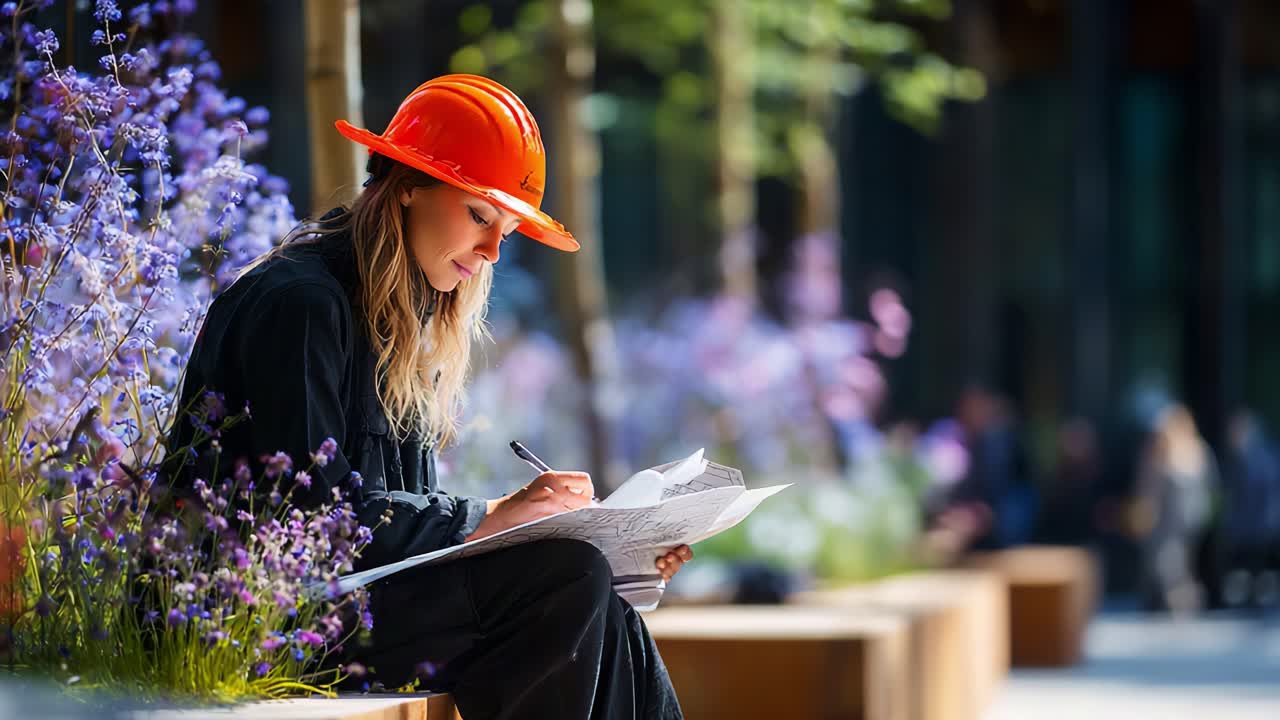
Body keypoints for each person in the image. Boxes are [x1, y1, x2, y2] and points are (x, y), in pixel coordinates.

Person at [166, 75, 687, 719]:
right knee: (569, 581)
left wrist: (622, 555)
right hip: (254, 620)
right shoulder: (300, 305)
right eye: (478, 215)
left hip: (347, 605)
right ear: (409, 185)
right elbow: (307, 518)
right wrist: (486, 515)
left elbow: (404, 540)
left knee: (598, 589)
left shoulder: (403, 315)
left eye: (507, 229)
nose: (493, 249)